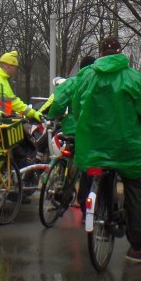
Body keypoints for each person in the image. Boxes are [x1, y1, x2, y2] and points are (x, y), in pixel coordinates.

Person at [60, 36, 141, 263]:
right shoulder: (134, 78)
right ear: (120, 52)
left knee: (99, 172)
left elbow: (76, 108)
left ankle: (101, 212)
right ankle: (136, 248)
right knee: (137, 187)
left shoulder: (86, 76)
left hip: (95, 146)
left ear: (100, 53)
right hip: (129, 148)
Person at [0, 51, 43, 171]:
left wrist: (33, 113)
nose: (15, 71)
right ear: (8, 66)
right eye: (14, 68)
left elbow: (15, 102)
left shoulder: (3, 81)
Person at [47, 54, 97, 212]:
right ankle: (84, 202)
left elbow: (58, 103)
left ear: (80, 67)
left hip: (70, 129)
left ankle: (64, 182)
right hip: (90, 130)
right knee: (88, 166)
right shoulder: (97, 82)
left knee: (70, 155)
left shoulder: (71, 83)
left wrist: (53, 116)